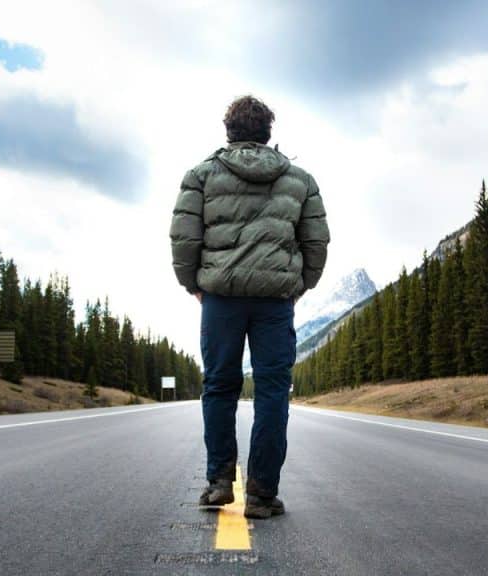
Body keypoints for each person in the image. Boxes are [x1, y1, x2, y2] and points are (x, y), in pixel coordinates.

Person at [169, 95, 330, 519]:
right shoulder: (300, 179)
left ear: (229, 131)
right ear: (267, 132)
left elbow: (184, 238)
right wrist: (299, 287)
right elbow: (316, 243)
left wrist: (194, 287)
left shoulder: (200, 175)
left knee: (220, 387)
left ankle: (220, 482)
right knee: (273, 393)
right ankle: (261, 495)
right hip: (274, 303)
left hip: (220, 298)